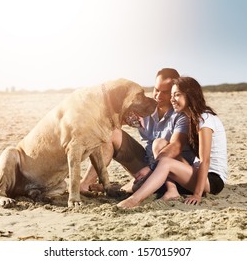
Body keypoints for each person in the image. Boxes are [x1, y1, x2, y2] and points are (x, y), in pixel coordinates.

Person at [117, 76, 227, 208]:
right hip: (197, 172)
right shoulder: (192, 118)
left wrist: (197, 194)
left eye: (177, 95)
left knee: (166, 162)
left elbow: (205, 161)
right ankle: (171, 190)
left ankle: (134, 200)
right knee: (159, 144)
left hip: (212, 180)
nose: (172, 99)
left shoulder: (204, 119)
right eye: (172, 95)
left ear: (191, 95)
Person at [80, 69, 195, 194]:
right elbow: (112, 121)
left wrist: (152, 168)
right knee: (111, 133)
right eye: (156, 90)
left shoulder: (182, 115)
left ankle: (128, 188)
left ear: (174, 92)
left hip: (171, 171)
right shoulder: (145, 108)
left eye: (165, 92)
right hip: (145, 162)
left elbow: (175, 147)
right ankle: (85, 184)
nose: (158, 96)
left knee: (159, 144)